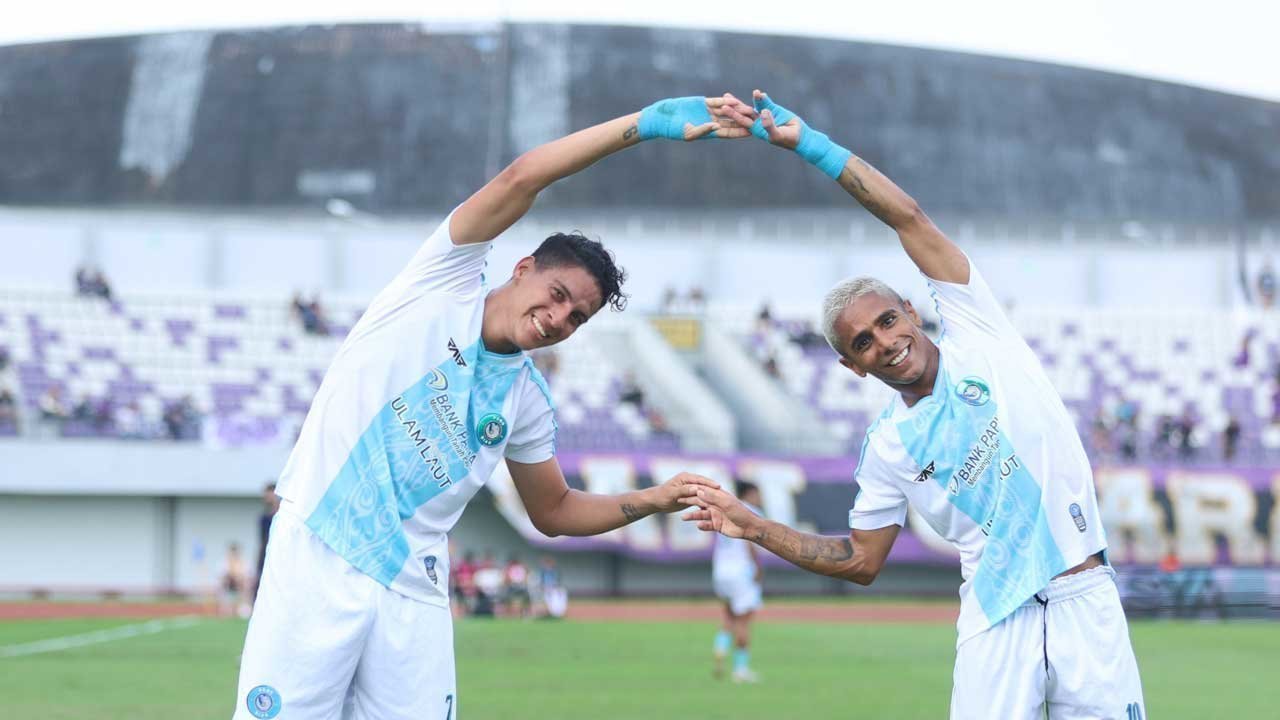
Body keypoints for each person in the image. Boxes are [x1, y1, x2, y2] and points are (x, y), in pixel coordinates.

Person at [233, 94, 749, 720]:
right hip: (320, 549)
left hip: (412, 589)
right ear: (522, 268)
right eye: (557, 294)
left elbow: (554, 511)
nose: (559, 317)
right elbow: (523, 177)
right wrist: (645, 126)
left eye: (577, 317)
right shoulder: (442, 280)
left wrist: (655, 499)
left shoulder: (526, 401)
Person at [686, 90, 1145, 720]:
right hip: (995, 621)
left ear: (910, 309)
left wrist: (812, 146)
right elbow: (860, 560)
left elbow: (909, 219)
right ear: (852, 366)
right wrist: (753, 526)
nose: (885, 342)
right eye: (863, 343)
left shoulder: (978, 330)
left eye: (887, 320)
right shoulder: (888, 446)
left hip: (1085, 601)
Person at [711, 481, 764, 683]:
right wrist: (757, 566)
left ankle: (720, 649)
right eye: (757, 494)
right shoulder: (749, 511)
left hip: (721, 570)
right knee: (743, 621)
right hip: (741, 571)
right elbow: (749, 542)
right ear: (749, 494)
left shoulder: (725, 509)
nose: (759, 499)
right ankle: (740, 670)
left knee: (728, 615)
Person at [252, 482, 279, 604]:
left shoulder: (283, 518)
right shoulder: (264, 518)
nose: (267, 498)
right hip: (266, 556)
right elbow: (262, 542)